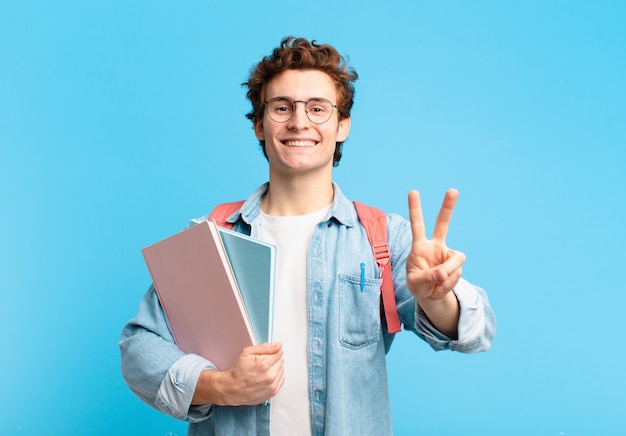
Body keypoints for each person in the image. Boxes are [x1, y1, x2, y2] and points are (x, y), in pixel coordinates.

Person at [119, 36, 496, 435]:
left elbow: (477, 332)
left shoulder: (383, 239)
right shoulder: (210, 237)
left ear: (342, 125)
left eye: (318, 109)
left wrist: (438, 300)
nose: (299, 122)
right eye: (282, 107)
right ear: (258, 126)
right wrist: (221, 386)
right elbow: (139, 348)